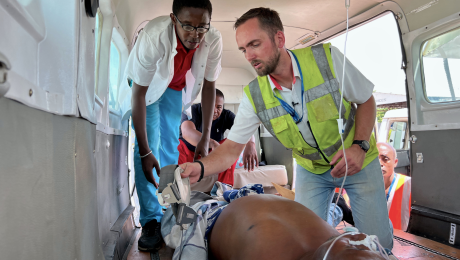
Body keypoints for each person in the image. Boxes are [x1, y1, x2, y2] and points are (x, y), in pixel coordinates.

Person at [180, 7, 393, 249]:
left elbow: (366, 99)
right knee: (306, 241)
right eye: (243, 49)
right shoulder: (254, 95)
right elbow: (230, 149)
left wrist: (360, 145)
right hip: (311, 170)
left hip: (358, 159)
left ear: (279, 39)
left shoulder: (327, 59)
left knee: (380, 245)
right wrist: (200, 167)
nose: (249, 56)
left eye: (255, 44)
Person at [120, 0, 223, 251]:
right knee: (150, 148)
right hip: (147, 88)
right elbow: (139, 95)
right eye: (188, 25)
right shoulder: (154, 36)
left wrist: (204, 137)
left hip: (174, 89)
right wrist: (144, 151)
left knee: (169, 148)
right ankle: (151, 221)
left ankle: (171, 210)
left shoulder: (213, 39)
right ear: (173, 19)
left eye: (202, 27)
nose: (195, 34)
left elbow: (209, 86)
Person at [208, 195, 392, 260]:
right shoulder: (334, 245)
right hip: (245, 211)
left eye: (356, 245)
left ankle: (337, 208)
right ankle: (337, 208)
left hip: (228, 214)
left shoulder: (263, 252)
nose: (361, 238)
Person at [178, 89, 258, 186]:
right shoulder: (191, 110)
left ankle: (224, 188)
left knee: (229, 146)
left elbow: (245, 128)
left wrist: (251, 144)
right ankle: (177, 185)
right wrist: (212, 143)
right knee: (177, 144)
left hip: (212, 154)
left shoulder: (226, 115)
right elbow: (187, 132)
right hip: (189, 152)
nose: (215, 110)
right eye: (211, 106)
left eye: (219, 107)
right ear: (203, 103)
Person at [378, 142, 411, 231]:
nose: (379, 163)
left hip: (399, 241)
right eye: (374, 159)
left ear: (395, 162)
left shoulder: (409, 186)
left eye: (385, 159)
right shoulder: (357, 186)